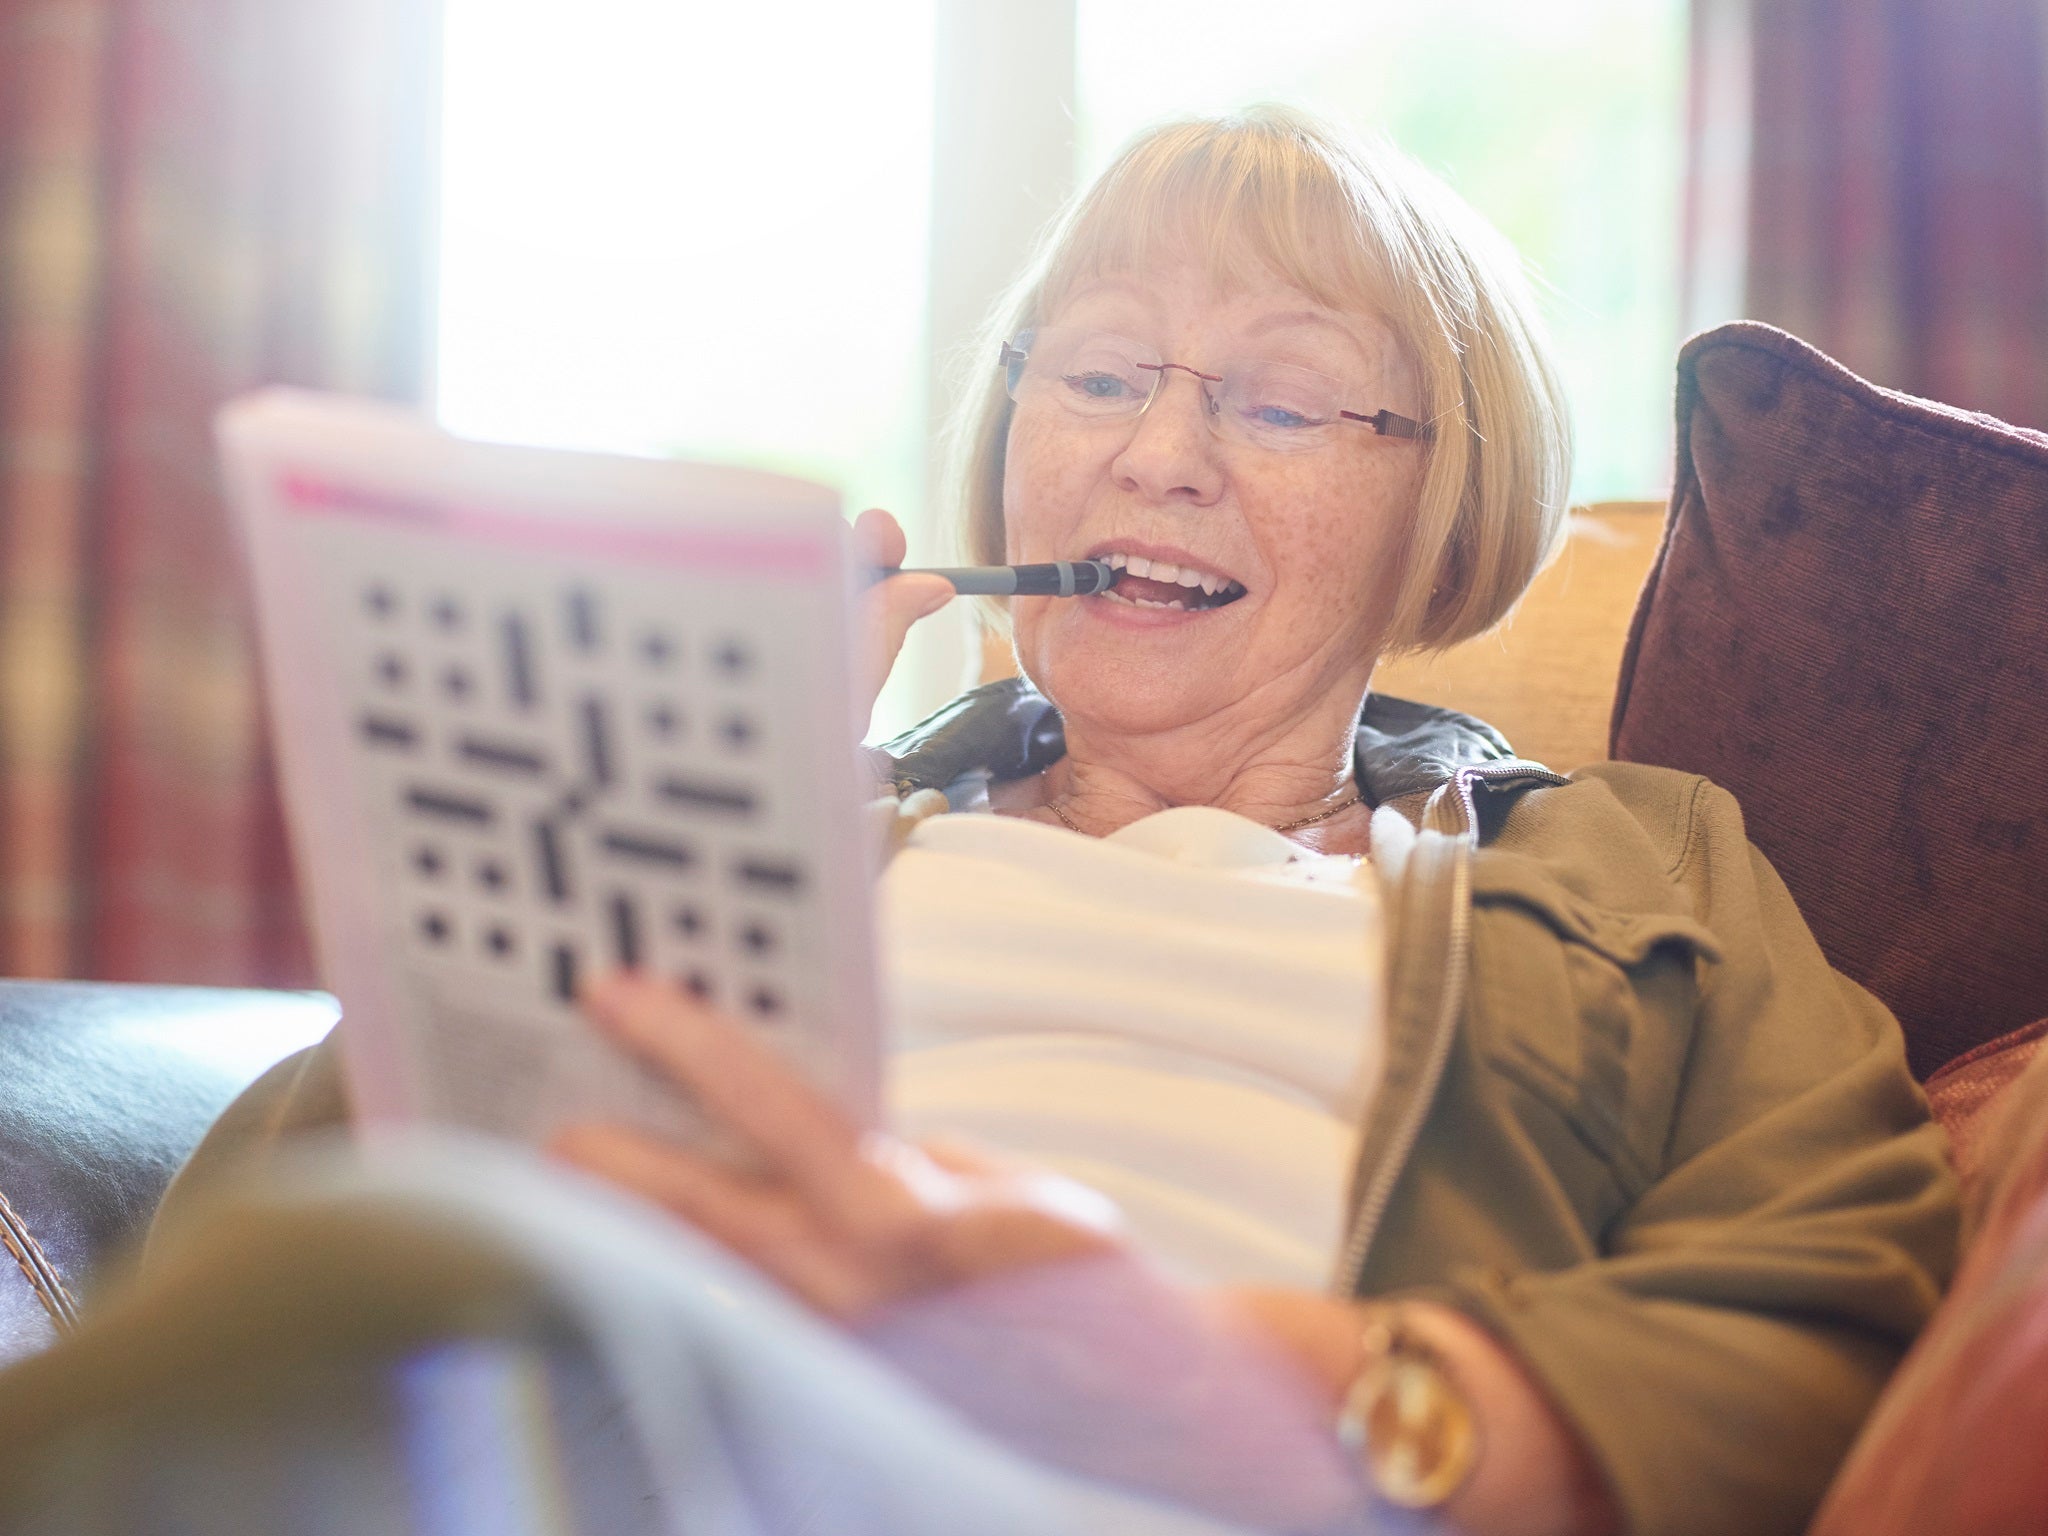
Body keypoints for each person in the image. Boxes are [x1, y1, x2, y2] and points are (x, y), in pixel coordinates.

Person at [121, 106, 1952, 1536]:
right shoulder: (821, 826)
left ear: (1442, 506)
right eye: (1094, 374)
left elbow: (1823, 1340)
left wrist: (1237, 1387)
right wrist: (668, 825)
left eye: (1282, 396)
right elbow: (267, 1258)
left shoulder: (1641, 866)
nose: (1156, 452)